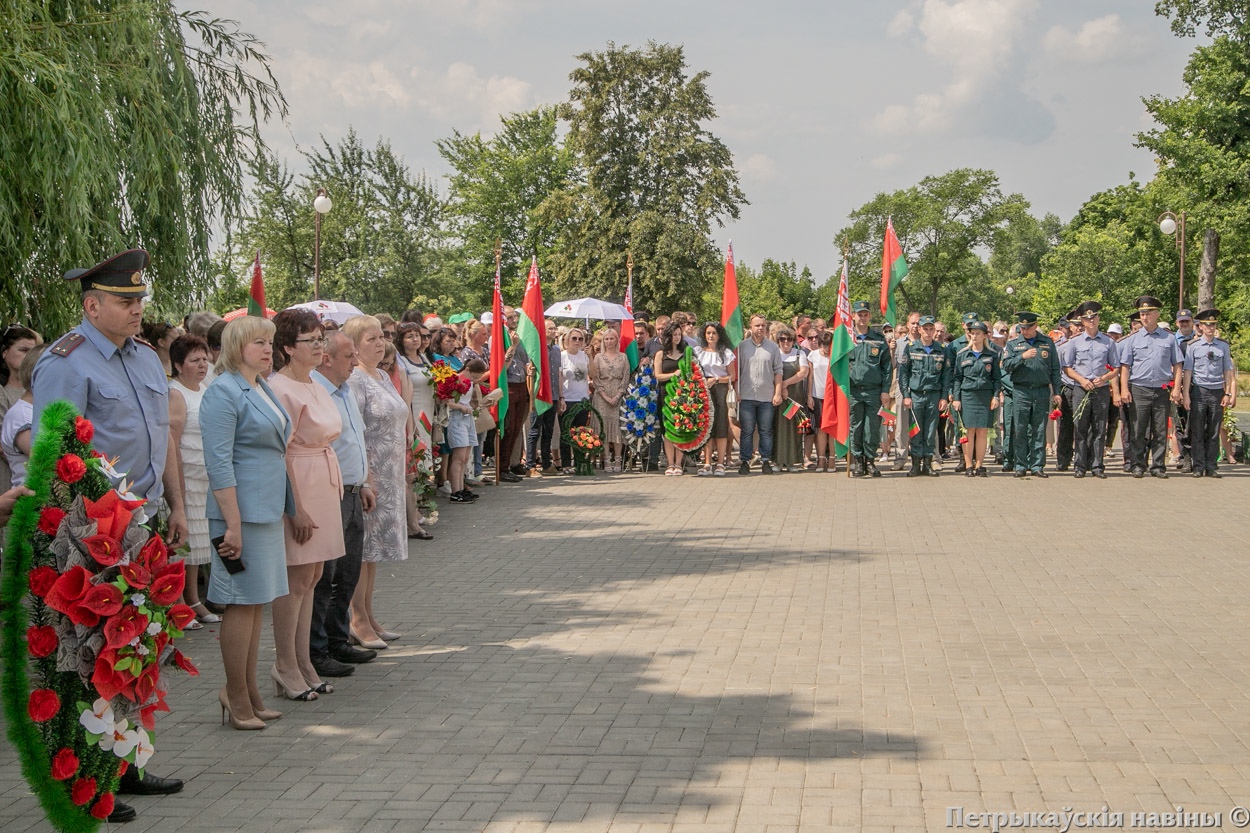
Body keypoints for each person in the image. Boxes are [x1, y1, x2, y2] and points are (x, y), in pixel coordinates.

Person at [31, 249, 187, 820]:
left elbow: (162, 438)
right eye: (126, 301)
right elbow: (56, 460)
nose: (136, 309)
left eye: (140, 299)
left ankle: (129, 763)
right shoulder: (66, 362)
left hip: (142, 521)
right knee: (89, 654)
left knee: (138, 648)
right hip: (91, 533)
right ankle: (91, 778)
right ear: (92, 305)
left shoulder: (145, 358)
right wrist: (79, 536)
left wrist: (176, 504)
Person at [200, 315, 292, 731]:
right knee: (239, 603)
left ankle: (249, 691)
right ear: (237, 346)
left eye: (270, 342)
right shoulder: (223, 391)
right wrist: (232, 525)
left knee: (257, 603)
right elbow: (218, 463)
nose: (268, 349)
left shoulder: (261, 385)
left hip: (265, 510)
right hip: (238, 515)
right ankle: (235, 694)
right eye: (259, 342)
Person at [268, 309, 347, 701]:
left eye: (321, 338)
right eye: (310, 341)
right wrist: (294, 506)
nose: (320, 346)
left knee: (313, 576)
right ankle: (284, 664)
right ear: (287, 347)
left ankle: (303, 660)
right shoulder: (280, 387)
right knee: (294, 578)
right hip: (299, 479)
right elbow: (278, 452)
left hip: (322, 474)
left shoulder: (314, 381)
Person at [311, 332, 378, 678]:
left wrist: (364, 481)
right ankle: (316, 648)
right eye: (349, 355)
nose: (355, 362)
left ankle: (338, 639)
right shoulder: (315, 392)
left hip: (353, 492)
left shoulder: (346, 390)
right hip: (328, 494)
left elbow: (355, 439)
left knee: (348, 572)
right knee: (326, 577)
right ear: (327, 358)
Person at [344, 315, 408, 648]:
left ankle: (368, 613)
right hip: (370, 474)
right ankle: (356, 619)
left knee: (374, 553)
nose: (379, 342)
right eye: (370, 339)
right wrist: (366, 476)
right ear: (353, 345)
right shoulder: (355, 379)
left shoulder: (381, 374)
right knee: (362, 550)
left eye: (381, 336)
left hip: (391, 471)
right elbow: (354, 432)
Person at [167, 335, 219, 628]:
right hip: (186, 475)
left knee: (199, 544)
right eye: (194, 360)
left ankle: (194, 598)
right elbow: (172, 440)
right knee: (182, 544)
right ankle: (177, 603)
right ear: (177, 365)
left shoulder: (206, 388)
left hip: (206, 475)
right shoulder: (176, 394)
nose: (202, 365)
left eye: (204, 359)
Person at [1119, 296, 1183, 478]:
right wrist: (1124, 389)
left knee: (1160, 430)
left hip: (1162, 389)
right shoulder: (1132, 339)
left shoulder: (1169, 339)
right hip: (1139, 388)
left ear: (1156, 314)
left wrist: (1177, 388)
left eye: (1147, 314)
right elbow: (1125, 367)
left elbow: (1178, 364)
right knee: (1138, 430)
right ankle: (1138, 465)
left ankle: (1158, 466)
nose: (1144, 317)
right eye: (1142, 314)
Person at [1060, 302, 1119, 479]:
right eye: (1087, 318)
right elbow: (1067, 368)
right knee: (1080, 428)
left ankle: (1097, 465)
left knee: (1100, 428)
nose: (1090, 321)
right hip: (1081, 388)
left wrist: (1105, 378)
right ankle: (1079, 465)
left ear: (1099, 319)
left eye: (1093, 317)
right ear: (1082, 322)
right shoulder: (1075, 342)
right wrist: (1082, 380)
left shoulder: (1108, 342)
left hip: (1100, 389)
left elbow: (1116, 367)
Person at [1001, 311, 1063, 478]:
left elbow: (1055, 370)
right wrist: (1022, 356)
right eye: (1022, 328)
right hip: (1021, 390)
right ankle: (1020, 465)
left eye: (1028, 328)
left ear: (1035, 326)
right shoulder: (1014, 344)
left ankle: (1037, 465)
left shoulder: (1047, 343)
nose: (1025, 331)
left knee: (1039, 428)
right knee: (1020, 428)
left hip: (1041, 390)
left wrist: (1056, 392)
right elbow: (1006, 365)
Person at [1182, 309, 1235, 477]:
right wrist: (1186, 395)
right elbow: (1188, 372)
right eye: (1207, 325)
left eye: (1213, 324)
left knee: (1214, 430)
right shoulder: (1193, 346)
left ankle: (1211, 466)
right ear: (1200, 327)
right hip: (1199, 390)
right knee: (1197, 431)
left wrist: (1227, 393)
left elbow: (1228, 371)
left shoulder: (1223, 346)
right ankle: (1198, 466)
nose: (1210, 328)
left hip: (1217, 391)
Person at [898, 316, 949, 477]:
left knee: (930, 431)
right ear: (919, 329)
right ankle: (915, 465)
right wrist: (906, 395)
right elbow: (904, 374)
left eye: (930, 329)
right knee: (915, 431)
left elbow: (946, 376)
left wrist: (944, 397)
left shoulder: (941, 349)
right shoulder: (911, 348)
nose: (928, 332)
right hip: (916, 395)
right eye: (925, 328)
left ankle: (927, 464)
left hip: (933, 395)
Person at [848, 301, 892, 478]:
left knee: (872, 428)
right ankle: (858, 461)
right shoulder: (848, 339)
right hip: (854, 390)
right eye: (859, 314)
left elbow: (887, 367)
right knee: (856, 427)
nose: (862, 317)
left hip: (874, 391)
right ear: (853, 316)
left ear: (869, 317)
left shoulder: (879, 339)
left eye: (865, 314)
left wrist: (885, 390)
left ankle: (870, 460)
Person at [950, 321, 1001, 476]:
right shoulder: (962, 354)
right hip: (967, 396)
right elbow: (957, 378)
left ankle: (979, 465)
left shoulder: (991, 355)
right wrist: (956, 398)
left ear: (985, 335)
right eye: (972, 333)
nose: (975, 336)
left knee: (982, 432)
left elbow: (996, 378)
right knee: (968, 431)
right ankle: (968, 465)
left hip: (985, 396)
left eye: (978, 333)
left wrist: (995, 396)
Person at [736, 314, 784, 475]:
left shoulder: (773, 347)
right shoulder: (742, 347)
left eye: (763, 325)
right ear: (751, 327)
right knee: (747, 430)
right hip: (746, 395)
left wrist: (777, 392)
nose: (760, 328)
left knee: (765, 430)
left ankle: (765, 460)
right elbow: (737, 371)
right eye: (757, 325)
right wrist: (737, 391)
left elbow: (778, 371)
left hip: (766, 396)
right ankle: (745, 461)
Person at [0, 325, 42, 489]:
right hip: (12, 474)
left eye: (32, 351)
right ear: (5, 353)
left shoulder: (35, 394)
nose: (28, 356)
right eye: (23, 350)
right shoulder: (3, 392)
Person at [695, 322, 735, 476]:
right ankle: (707, 463)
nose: (711, 336)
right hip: (703, 390)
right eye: (708, 333)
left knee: (721, 425)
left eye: (714, 333)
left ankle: (720, 463)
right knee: (707, 426)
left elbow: (732, 375)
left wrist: (717, 379)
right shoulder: (698, 351)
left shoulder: (726, 353)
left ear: (719, 335)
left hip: (720, 389)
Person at [446, 358, 487, 501]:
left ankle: (461, 488)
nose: (474, 379)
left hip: (468, 417)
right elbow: (447, 401)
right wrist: (460, 407)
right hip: (457, 417)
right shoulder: (455, 379)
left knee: (464, 458)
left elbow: (468, 399)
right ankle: (455, 491)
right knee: (458, 457)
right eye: (474, 376)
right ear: (467, 370)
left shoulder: (469, 383)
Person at [591, 327, 629, 471]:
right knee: (604, 428)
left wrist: (618, 395)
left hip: (618, 394)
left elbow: (626, 377)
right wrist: (605, 396)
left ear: (617, 340)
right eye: (606, 339)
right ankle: (606, 459)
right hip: (602, 396)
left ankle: (618, 460)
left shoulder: (623, 357)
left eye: (611, 338)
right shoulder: (598, 357)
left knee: (618, 427)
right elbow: (595, 378)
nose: (609, 341)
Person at [527, 320, 561, 476]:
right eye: (550, 328)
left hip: (553, 394)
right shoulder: (536, 350)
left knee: (549, 431)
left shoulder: (556, 350)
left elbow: (558, 373)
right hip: (539, 395)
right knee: (535, 431)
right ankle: (530, 465)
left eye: (554, 328)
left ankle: (547, 464)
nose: (553, 331)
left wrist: (560, 396)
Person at [773, 326, 809, 471]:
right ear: (778, 341)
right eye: (783, 339)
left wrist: (785, 384)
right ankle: (777, 461)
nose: (786, 342)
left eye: (789, 339)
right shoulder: (775, 354)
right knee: (777, 428)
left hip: (794, 397)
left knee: (793, 429)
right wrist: (780, 389)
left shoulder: (800, 354)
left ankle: (792, 461)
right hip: (778, 397)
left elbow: (803, 373)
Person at [654, 322, 687, 476]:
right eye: (674, 335)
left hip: (682, 395)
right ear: (668, 336)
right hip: (665, 394)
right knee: (667, 430)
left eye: (679, 334)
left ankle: (679, 463)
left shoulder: (687, 352)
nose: (677, 337)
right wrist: (674, 374)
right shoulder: (661, 354)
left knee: (680, 428)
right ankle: (670, 463)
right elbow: (658, 376)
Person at [558, 327, 592, 474]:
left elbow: (593, 374)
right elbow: (559, 378)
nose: (577, 342)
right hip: (568, 398)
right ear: (567, 340)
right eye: (574, 338)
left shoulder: (584, 356)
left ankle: (579, 462)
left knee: (580, 432)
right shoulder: (562, 356)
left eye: (580, 339)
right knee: (566, 432)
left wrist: (590, 357)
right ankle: (565, 464)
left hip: (582, 399)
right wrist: (561, 397)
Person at [806, 331, 834, 471]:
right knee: (821, 429)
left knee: (832, 429)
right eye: (823, 344)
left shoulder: (835, 355)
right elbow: (810, 377)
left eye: (828, 345)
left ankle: (832, 459)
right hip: (818, 395)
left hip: (833, 397)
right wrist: (809, 396)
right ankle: (821, 459)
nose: (826, 348)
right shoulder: (813, 355)